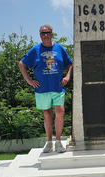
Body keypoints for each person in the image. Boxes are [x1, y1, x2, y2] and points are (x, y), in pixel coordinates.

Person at [19, 24, 73, 153]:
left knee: (60, 111)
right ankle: (49, 142)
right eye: (43, 33)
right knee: (47, 114)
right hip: (42, 88)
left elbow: (70, 62)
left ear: (52, 34)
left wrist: (67, 76)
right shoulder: (35, 49)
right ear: (40, 35)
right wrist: (28, 80)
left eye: (48, 33)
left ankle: (59, 141)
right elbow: (22, 64)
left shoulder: (59, 48)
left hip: (58, 87)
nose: (45, 35)